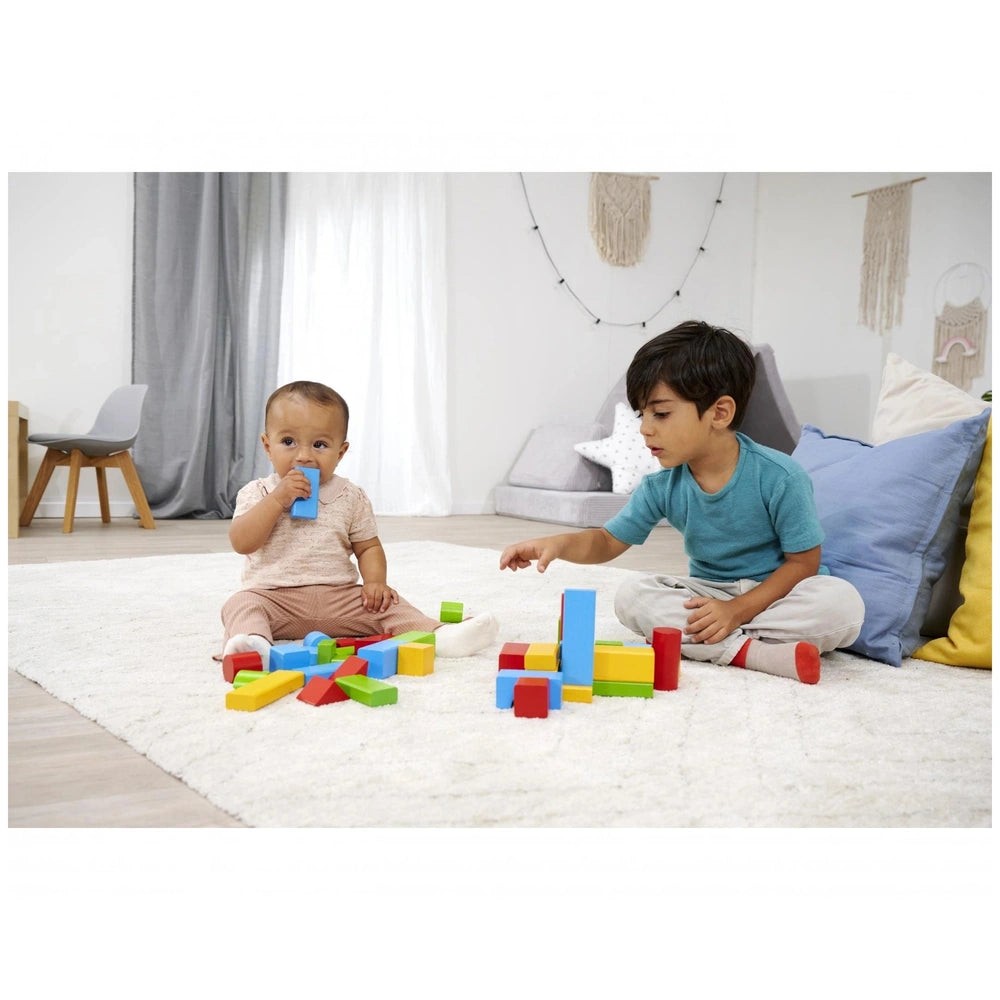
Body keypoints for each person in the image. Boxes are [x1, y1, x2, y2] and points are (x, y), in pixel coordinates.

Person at [499, 321, 864, 684]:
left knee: (843, 604)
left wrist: (736, 611)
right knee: (632, 597)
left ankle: (718, 641)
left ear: (719, 413)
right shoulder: (661, 485)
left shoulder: (781, 476)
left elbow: (804, 563)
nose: (645, 428)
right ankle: (756, 653)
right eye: (642, 415)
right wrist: (558, 544)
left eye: (660, 413)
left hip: (777, 594)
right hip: (706, 595)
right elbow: (607, 541)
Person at [221, 380, 498, 662]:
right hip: (274, 599)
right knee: (240, 603)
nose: (304, 456)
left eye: (319, 445)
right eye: (288, 442)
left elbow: (368, 547)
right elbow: (242, 542)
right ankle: (254, 645)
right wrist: (278, 499)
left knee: (389, 603)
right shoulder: (257, 492)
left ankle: (440, 636)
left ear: (340, 453)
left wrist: (375, 582)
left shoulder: (351, 496)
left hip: (340, 599)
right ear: (268, 446)